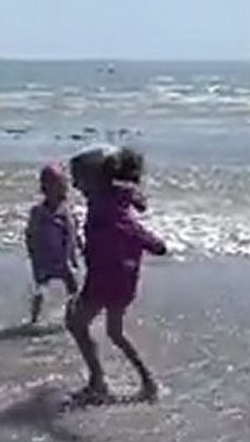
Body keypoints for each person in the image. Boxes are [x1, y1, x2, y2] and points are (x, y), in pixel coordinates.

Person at [65, 147, 166, 403]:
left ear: (96, 179)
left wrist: (154, 243)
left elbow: (129, 228)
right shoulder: (113, 198)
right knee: (114, 332)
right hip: (122, 277)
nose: (75, 185)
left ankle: (98, 381)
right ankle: (148, 382)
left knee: (76, 324)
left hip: (106, 278)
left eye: (79, 178)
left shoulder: (105, 206)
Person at [24, 163, 80, 323]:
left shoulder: (67, 211)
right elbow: (29, 233)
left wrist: (79, 250)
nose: (55, 190)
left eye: (59, 185)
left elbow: (74, 233)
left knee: (73, 287)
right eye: (49, 186)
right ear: (43, 188)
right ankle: (34, 319)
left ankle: (71, 317)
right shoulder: (38, 211)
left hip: (63, 258)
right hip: (43, 257)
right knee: (40, 288)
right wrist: (32, 252)